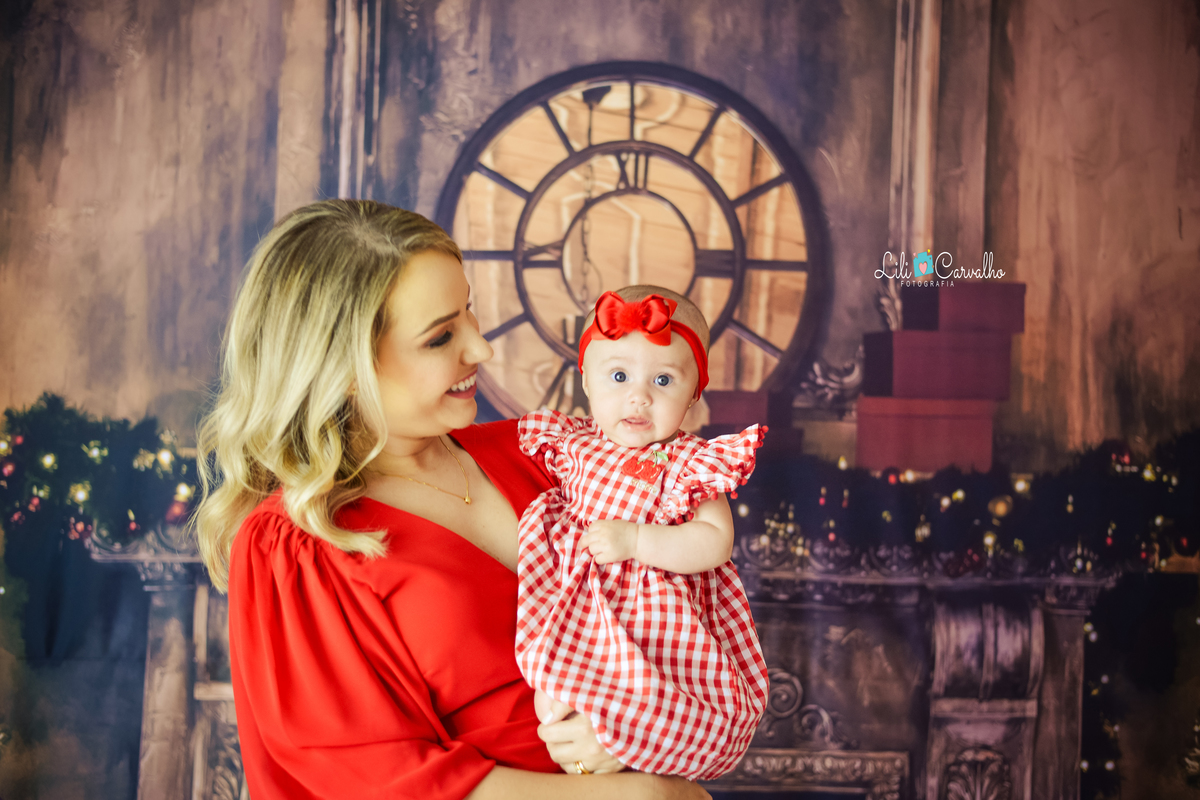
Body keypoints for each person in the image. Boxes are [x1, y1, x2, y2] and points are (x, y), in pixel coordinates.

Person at [193, 200, 710, 800]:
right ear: (344, 366)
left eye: (470, 313)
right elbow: (376, 781)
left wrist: (643, 731)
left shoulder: (544, 455)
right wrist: (639, 794)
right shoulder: (302, 539)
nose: (481, 350)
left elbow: (681, 627)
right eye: (441, 337)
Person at [516, 287, 770, 780]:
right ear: (585, 381)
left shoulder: (688, 464)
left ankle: (643, 746)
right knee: (554, 693)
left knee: (649, 694)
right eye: (618, 376)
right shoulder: (572, 443)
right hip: (579, 601)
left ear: (694, 393)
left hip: (656, 613)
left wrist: (637, 540)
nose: (639, 396)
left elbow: (716, 541)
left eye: (663, 380)